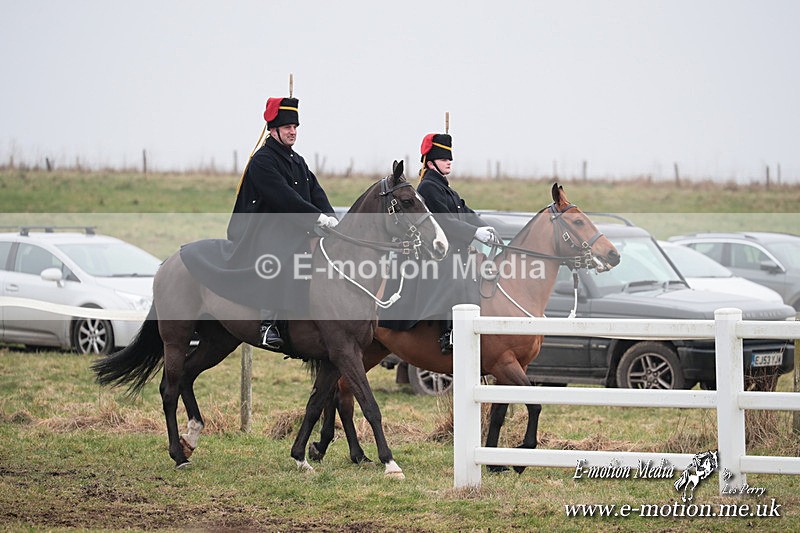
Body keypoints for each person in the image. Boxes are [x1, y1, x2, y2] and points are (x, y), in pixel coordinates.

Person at [180, 96, 338, 351]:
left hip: (293, 227)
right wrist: (314, 217)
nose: (293, 132)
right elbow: (283, 199)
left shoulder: (298, 160)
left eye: (295, 127)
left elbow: (315, 192)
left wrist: (331, 218)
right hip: (261, 230)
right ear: (273, 129)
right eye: (288, 127)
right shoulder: (262, 161)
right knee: (281, 257)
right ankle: (269, 324)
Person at [378, 132, 497, 353]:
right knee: (457, 279)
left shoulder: (446, 188)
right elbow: (445, 221)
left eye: (449, 158)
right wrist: (474, 233)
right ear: (430, 162)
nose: (449, 162)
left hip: (456, 251)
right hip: (436, 253)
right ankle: (448, 334)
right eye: (444, 159)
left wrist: (485, 228)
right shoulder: (428, 187)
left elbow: (465, 210)